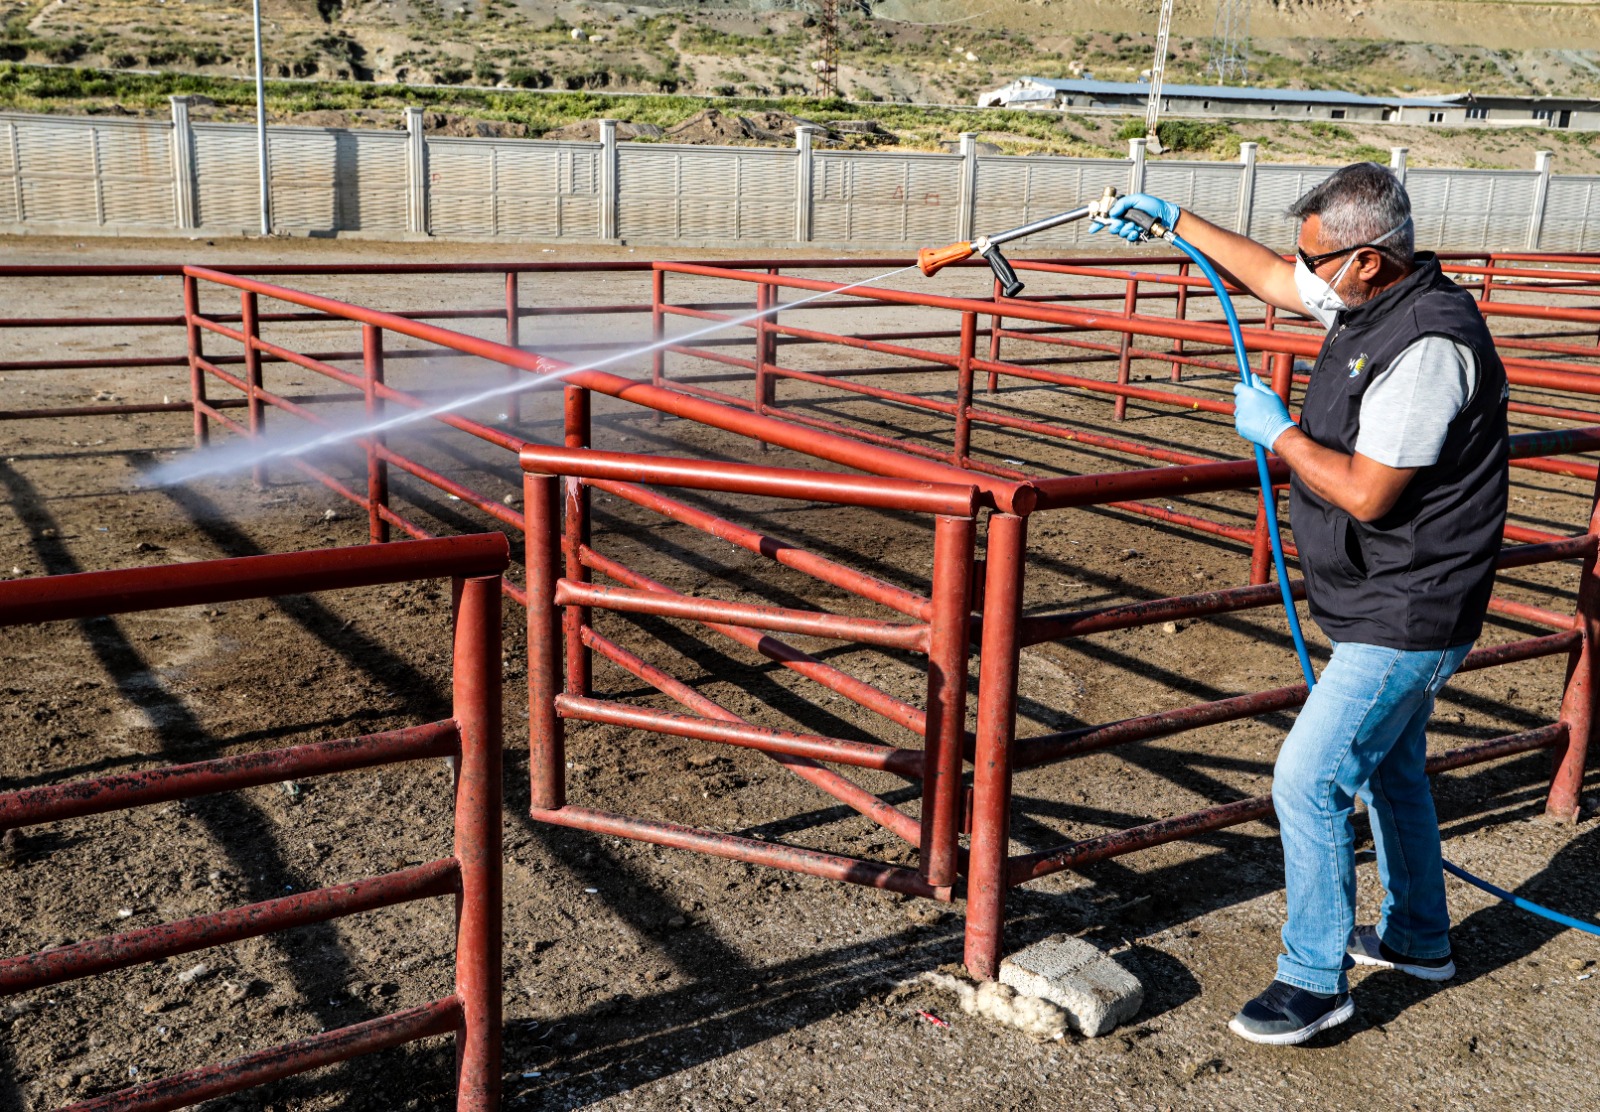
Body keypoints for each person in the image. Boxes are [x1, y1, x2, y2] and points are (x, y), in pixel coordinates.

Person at [1094, 164, 1509, 1045]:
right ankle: (1419, 937)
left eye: (1318, 256)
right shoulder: (1371, 303)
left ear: (1367, 259)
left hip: (1413, 607)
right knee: (1392, 767)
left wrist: (1276, 432)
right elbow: (1276, 280)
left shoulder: (1427, 345)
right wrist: (1177, 222)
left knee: (1308, 777)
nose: (1302, 269)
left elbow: (1368, 494)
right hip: (1385, 597)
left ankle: (1314, 980)